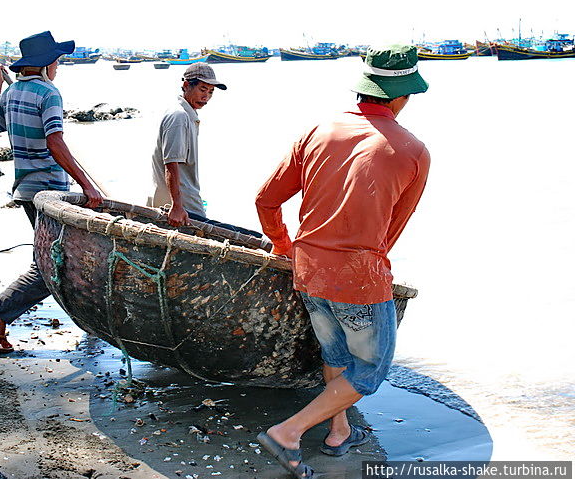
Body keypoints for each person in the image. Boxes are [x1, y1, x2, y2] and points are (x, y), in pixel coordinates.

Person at [254, 45, 431, 478]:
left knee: (335, 350)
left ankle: (338, 429)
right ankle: (289, 432)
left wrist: (283, 245)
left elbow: (266, 200)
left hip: (307, 271)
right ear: (401, 96)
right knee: (370, 370)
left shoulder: (318, 130)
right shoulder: (414, 151)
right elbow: (392, 230)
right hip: (357, 278)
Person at [0, 31, 102, 353]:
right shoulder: (49, 93)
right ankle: (0, 311)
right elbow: (55, 141)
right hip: (50, 192)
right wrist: (86, 184)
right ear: (47, 64)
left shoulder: (12, 94)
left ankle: (87, 323)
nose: (59, 66)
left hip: (25, 189)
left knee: (54, 259)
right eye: (57, 61)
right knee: (54, 263)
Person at [149, 63, 259, 236]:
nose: (206, 96)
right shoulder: (179, 117)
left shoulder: (188, 115)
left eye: (210, 92)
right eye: (202, 89)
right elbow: (171, 164)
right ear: (186, 85)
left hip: (187, 205)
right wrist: (177, 206)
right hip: (181, 210)